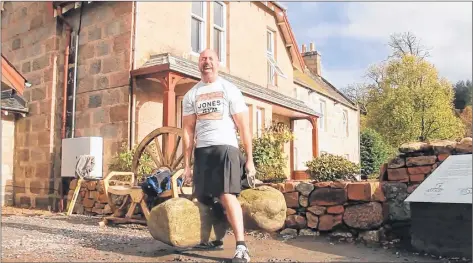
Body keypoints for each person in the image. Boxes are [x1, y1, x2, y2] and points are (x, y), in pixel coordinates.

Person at [181, 49, 256, 263]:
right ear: (199, 64)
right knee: (204, 198)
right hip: (202, 150)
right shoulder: (191, 95)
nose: (207, 62)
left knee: (225, 195)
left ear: (218, 64)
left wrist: (249, 159)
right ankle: (216, 238)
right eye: (203, 59)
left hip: (226, 148)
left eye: (211, 59)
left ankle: (241, 247)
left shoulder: (229, 89)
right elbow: (187, 130)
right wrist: (187, 165)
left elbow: (243, 127)